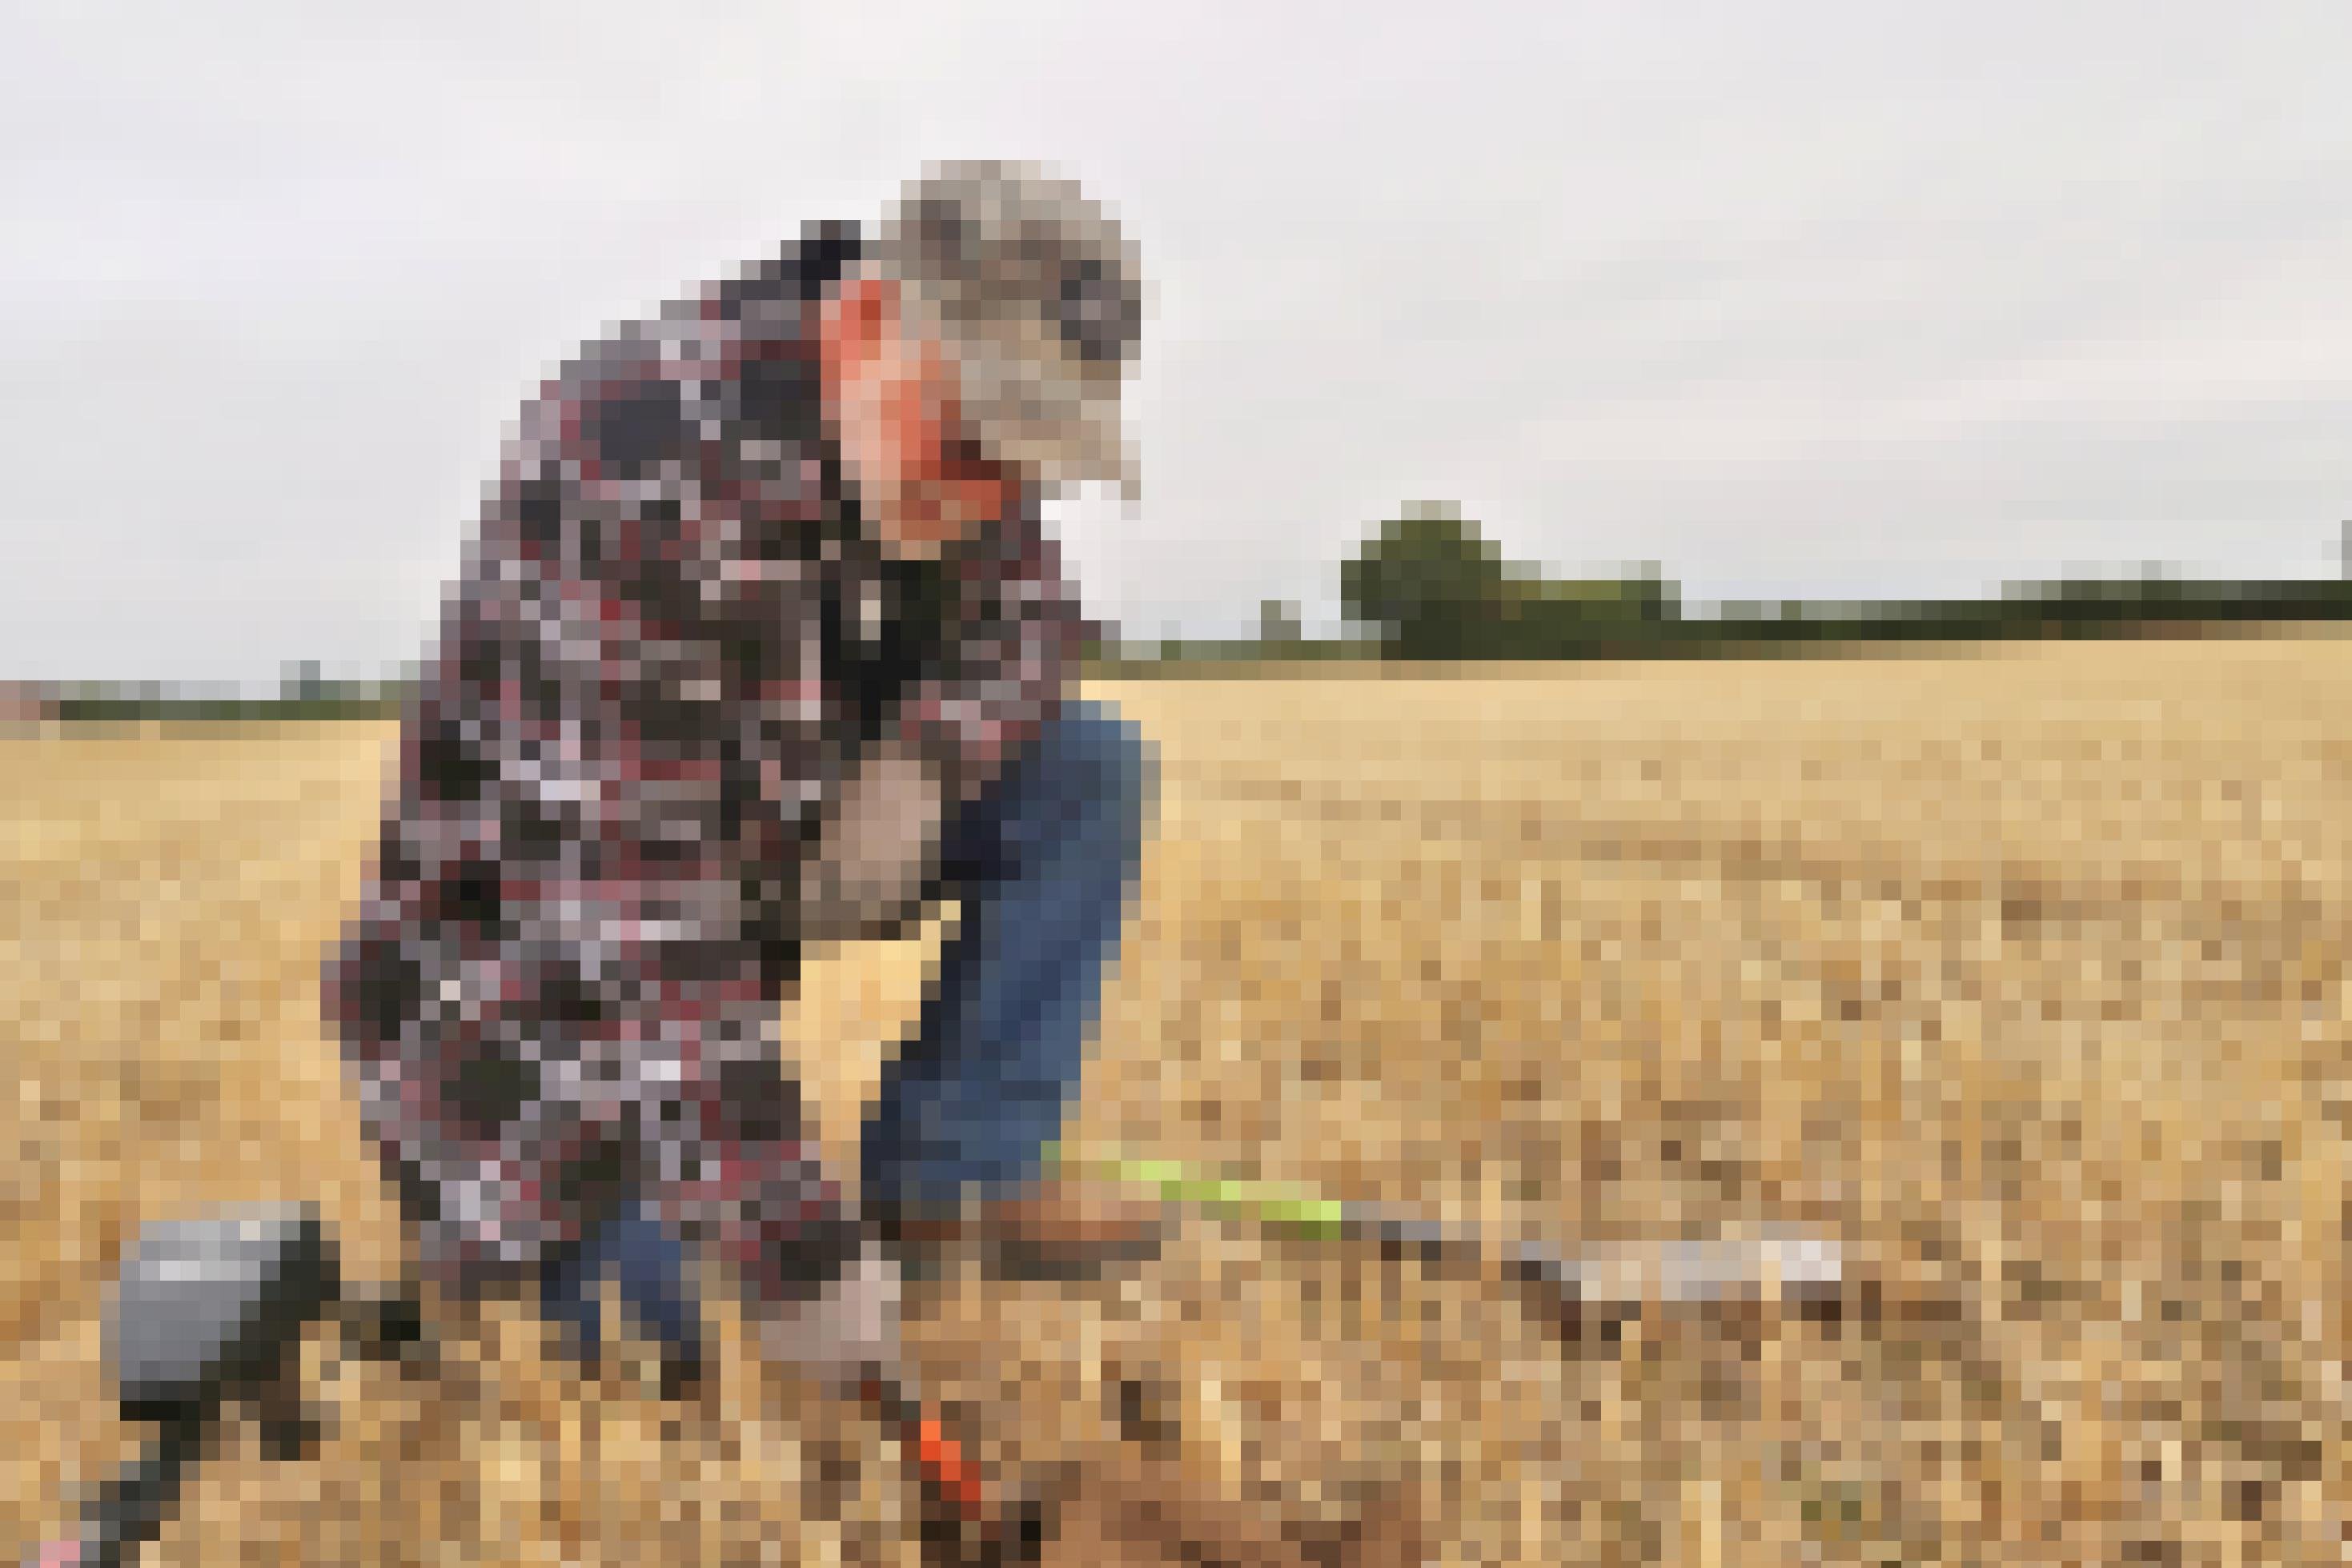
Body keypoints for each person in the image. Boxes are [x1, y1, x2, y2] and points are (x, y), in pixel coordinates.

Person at [323, 160, 1163, 1410]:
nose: (994, 490)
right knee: (659, 1368)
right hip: (533, 987)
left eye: (1030, 456)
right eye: (975, 433)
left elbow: (1033, 620)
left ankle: (952, 1181)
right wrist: (801, 1261)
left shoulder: (949, 454)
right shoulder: (631, 457)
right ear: (872, 321)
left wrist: (925, 763)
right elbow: (636, 925)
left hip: (762, 852)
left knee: (1087, 768)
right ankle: (489, 1248)